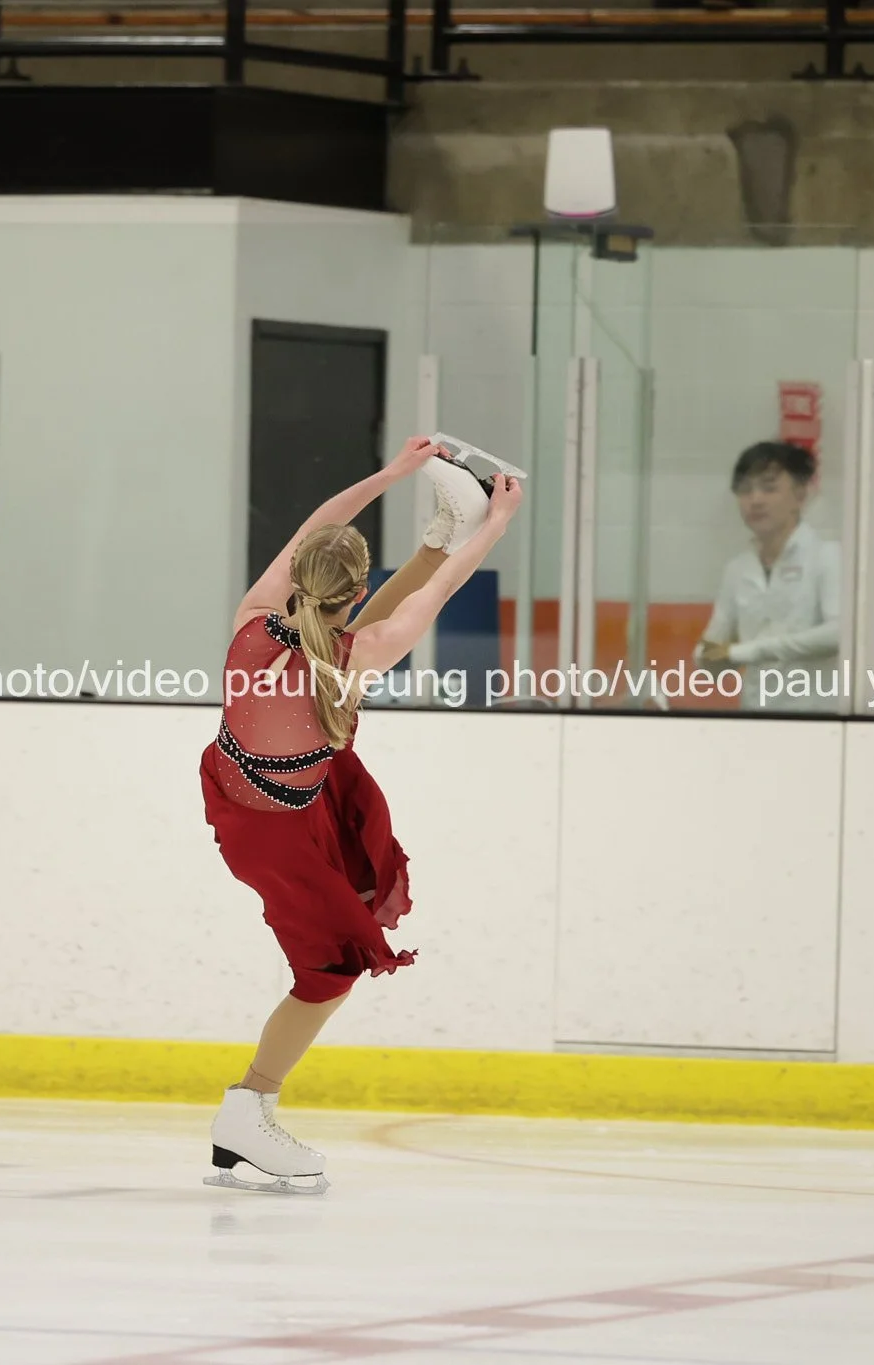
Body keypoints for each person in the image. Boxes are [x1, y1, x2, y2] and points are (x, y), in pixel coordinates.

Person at [198, 436, 522, 1194]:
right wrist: (498, 523)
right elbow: (436, 595)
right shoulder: (363, 652)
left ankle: (440, 530)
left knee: (336, 662)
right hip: (278, 834)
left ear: (296, 578)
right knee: (330, 971)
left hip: (244, 794)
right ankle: (248, 1107)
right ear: (358, 588)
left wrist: (391, 474)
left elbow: (318, 528)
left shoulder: (251, 621)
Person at [694, 440, 843, 712]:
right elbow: (710, 649)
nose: (755, 500)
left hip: (819, 719)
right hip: (755, 717)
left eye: (769, 488)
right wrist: (708, 659)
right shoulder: (737, 569)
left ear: (800, 495)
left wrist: (748, 651)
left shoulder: (828, 556)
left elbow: (839, 634)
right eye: (745, 490)